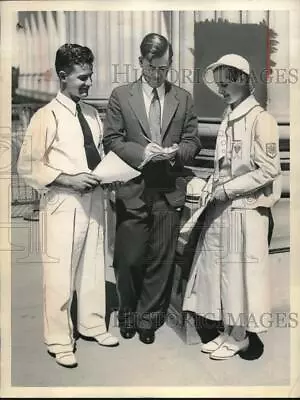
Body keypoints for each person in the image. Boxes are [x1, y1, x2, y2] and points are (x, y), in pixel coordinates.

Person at [18, 43, 119, 368]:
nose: (88, 83)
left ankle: (92, 325)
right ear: (63, 76)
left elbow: (96, 155)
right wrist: (68, 179)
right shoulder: (44, 116)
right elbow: (28, 166)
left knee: (92, 267)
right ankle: (60, 340)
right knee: (59, 273)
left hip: (94, 201)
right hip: (63, 204)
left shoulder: (91, 114)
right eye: (82, 77)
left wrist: (109, 173)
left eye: (90, 76)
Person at [103, 33, 201, 344]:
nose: (158, 75)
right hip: (133, 188)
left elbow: (193, 141)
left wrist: (176, 153)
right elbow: (112, 139)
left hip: (168, 189)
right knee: (128, 259)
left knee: (161, 259)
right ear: (141, 62)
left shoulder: (183, 98)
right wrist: (141, 154)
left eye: (164, 69)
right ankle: (127, 314)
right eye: (152, 68)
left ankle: (148, 319)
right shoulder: (121, 96)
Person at [183, 54, 281, 360]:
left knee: (240, 273)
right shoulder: (231, 115)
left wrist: (227, 189)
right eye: (220, 84)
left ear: (242, 80)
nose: (222, 89)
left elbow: (269, 170)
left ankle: (240, 335)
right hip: (222, 208)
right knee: (220, 270)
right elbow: (225, 165)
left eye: (227, 83)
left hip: (246, 211)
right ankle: (228, 330)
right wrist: (212, 186)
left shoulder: (261, 120)